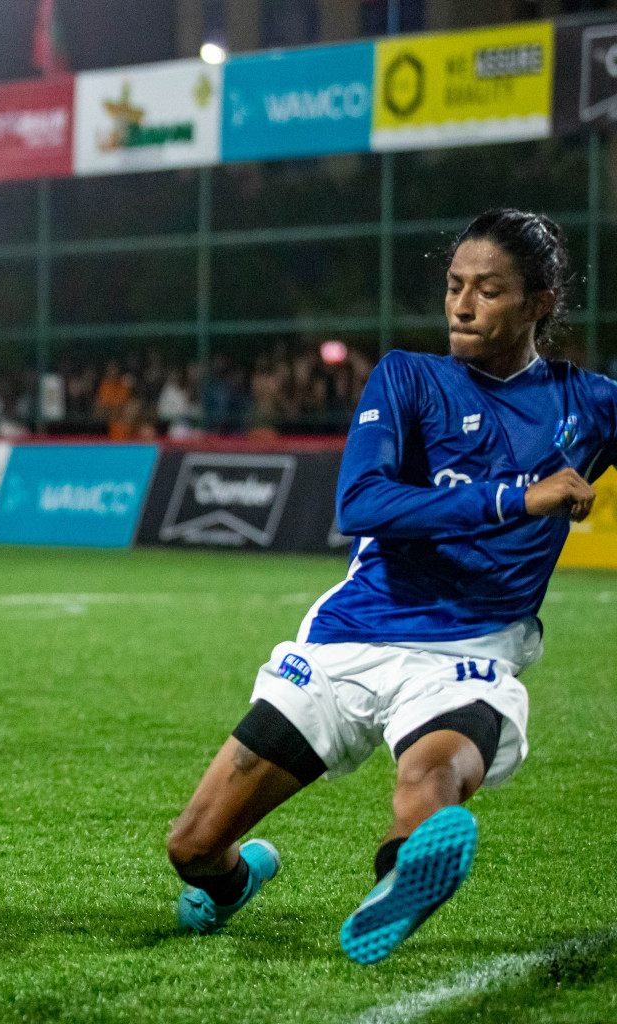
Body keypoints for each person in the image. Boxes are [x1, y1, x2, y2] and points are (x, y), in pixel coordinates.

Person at [163, 209, 614, 964]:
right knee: (192, 846)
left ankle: (403, 871)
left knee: (431, 776)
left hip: (469, 650)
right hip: (351, 638)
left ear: (540, 302)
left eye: (488, 291)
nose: (462, 306)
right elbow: (362, 503)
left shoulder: (587, 404)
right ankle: (235, 878)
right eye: (454, 286)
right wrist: (516, 497)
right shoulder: (410, 377)